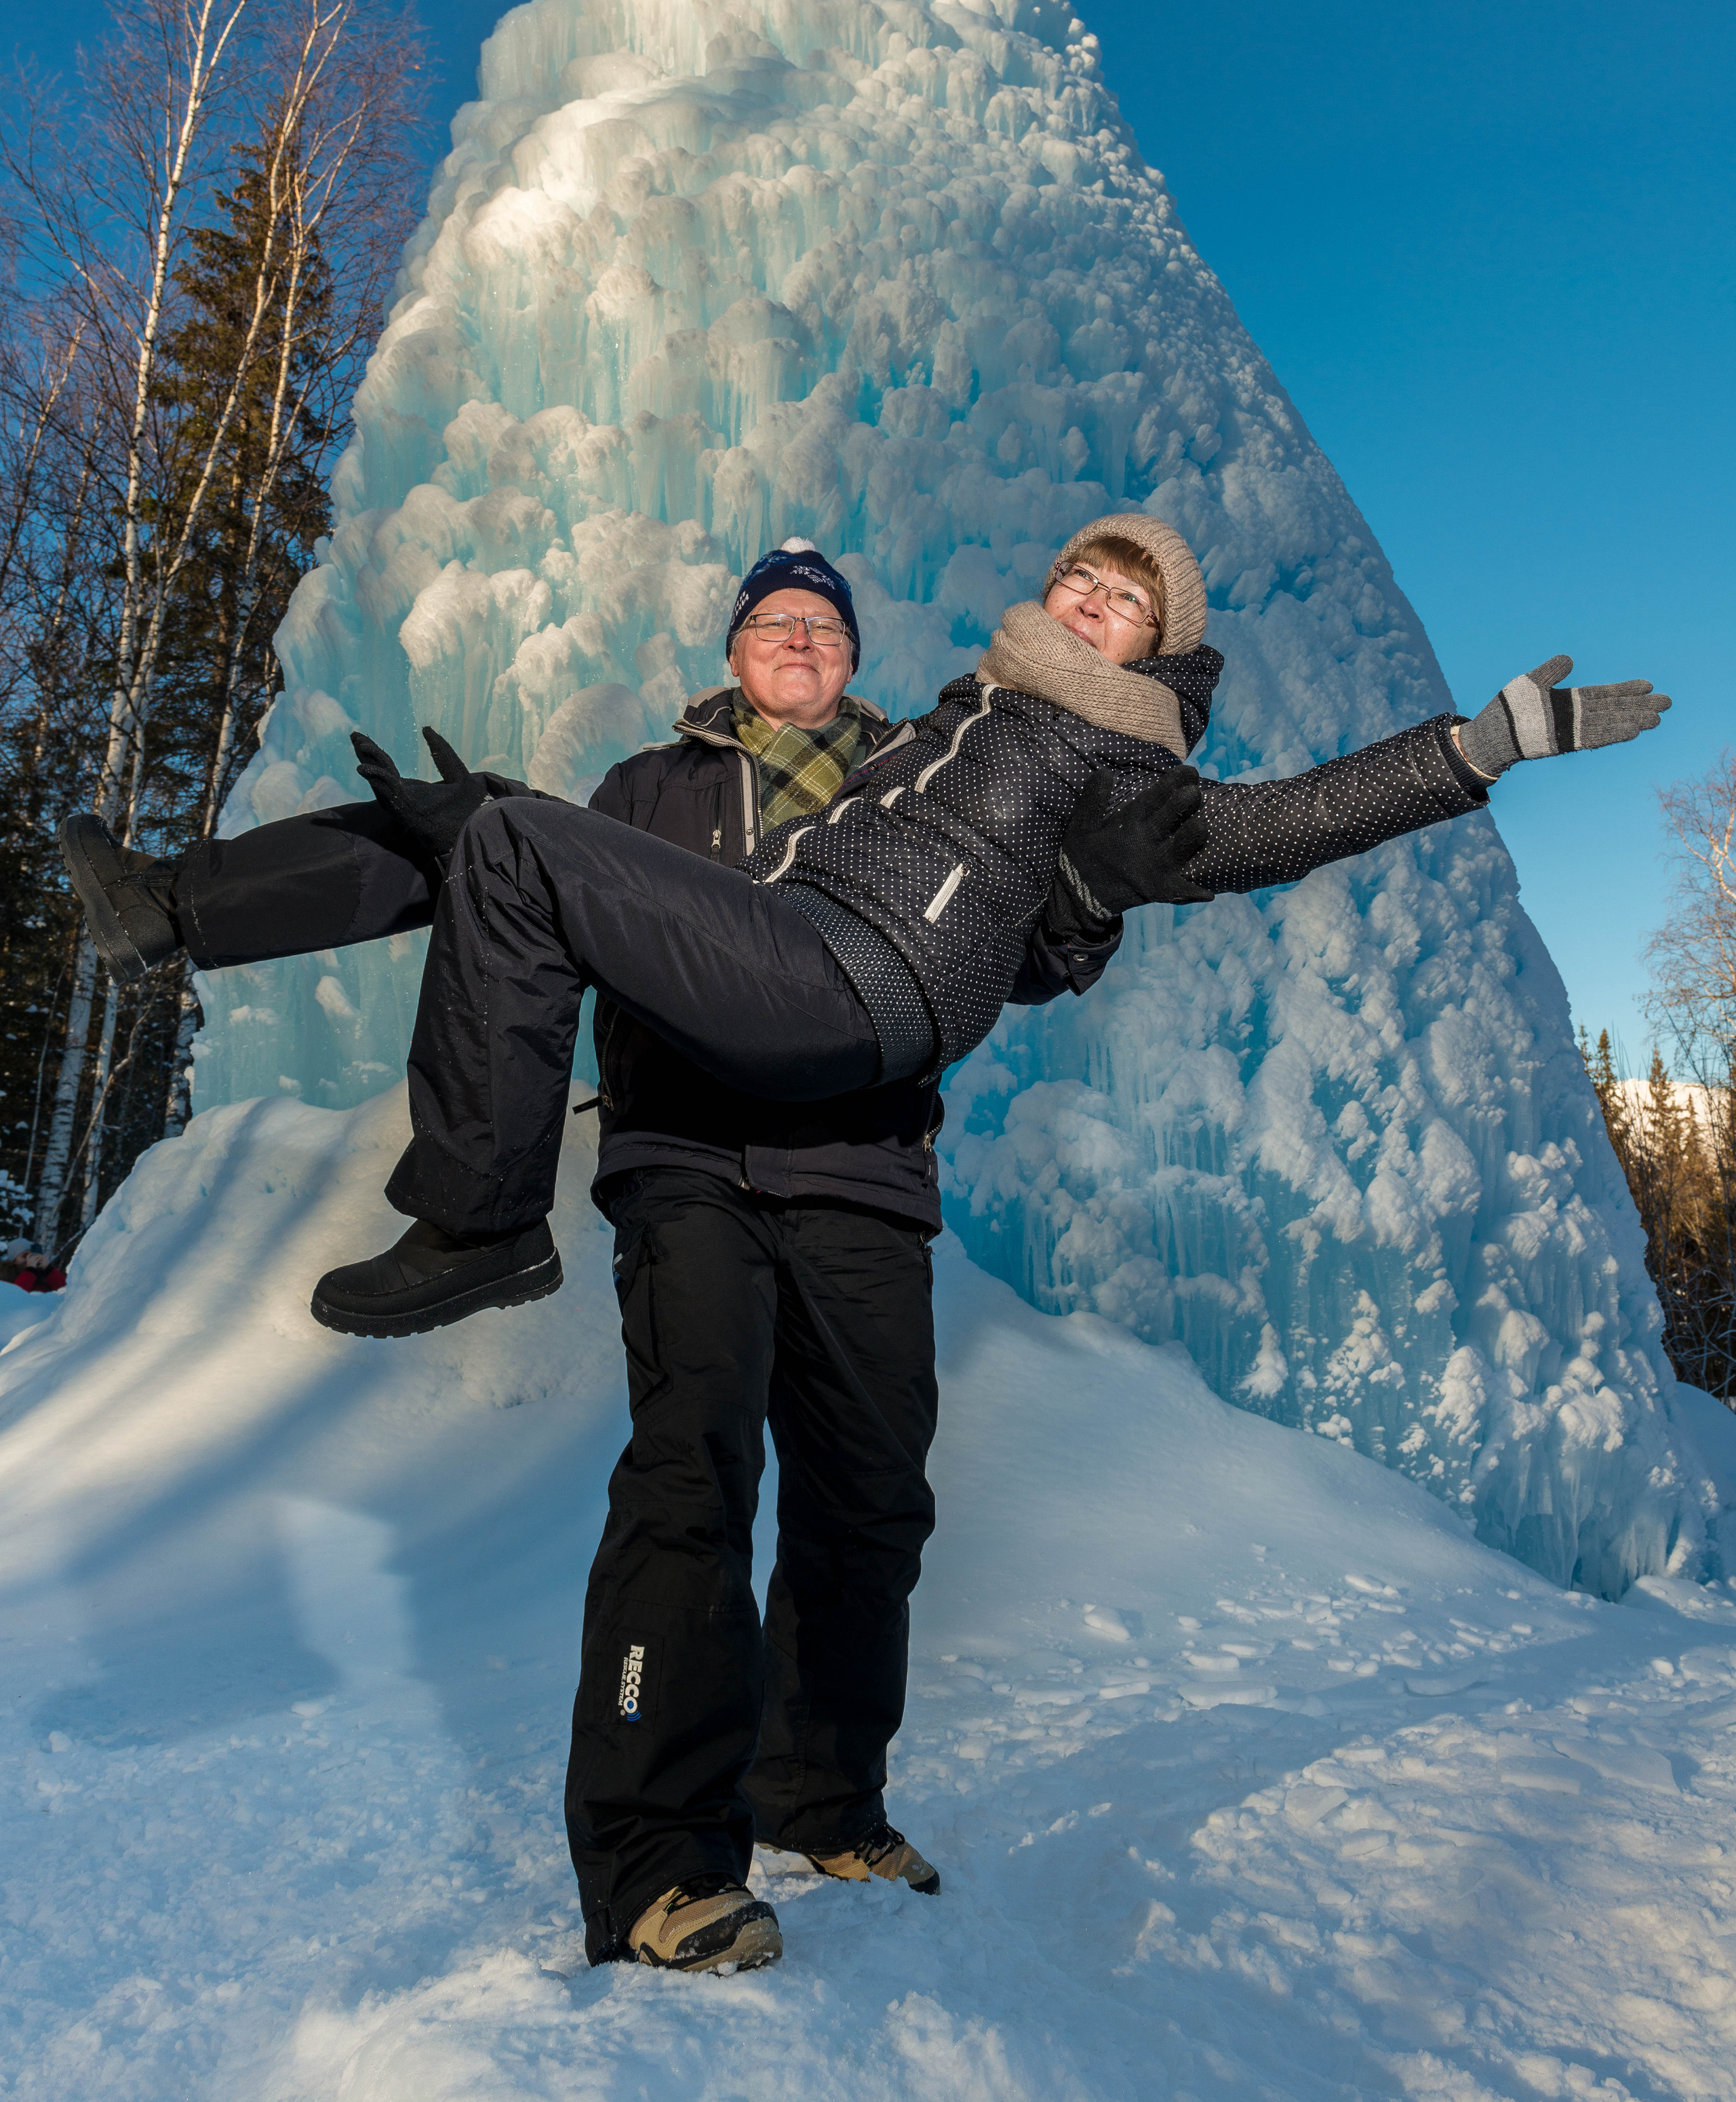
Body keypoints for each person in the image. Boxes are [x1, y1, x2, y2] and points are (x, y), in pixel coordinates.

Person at [60, 514, 1670, 1972]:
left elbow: (1216, 841)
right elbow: (613, 902)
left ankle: (820, 1790)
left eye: (1124, 600)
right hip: (697, 1139)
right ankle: (654, 1867)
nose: (801, 642)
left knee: (868, 1498)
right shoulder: (729, 776)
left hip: (856, 1128)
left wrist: (1465, 753)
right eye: (775, 620)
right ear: (737, 650)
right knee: (495, 852)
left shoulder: (1019, 751)